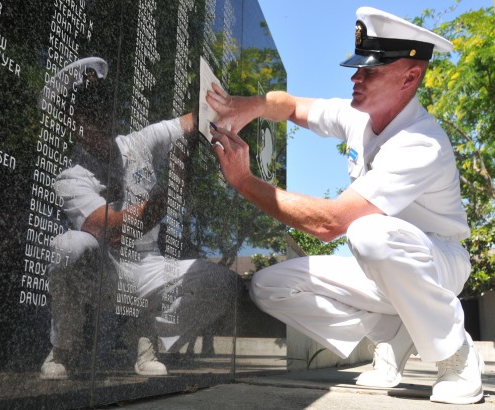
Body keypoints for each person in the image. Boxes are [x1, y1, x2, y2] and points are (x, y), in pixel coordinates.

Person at [206, 7, 484, 405]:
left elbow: (330, 223)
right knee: (272, 286)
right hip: (380, 261)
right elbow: (291, 106)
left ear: (410, 77)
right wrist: (249, 105)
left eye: (370, 71)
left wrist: (244, 182)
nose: (356, 77)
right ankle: (396, 331)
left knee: (368, 231)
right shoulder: (359, 116)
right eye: (358, 67)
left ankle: (454, 353)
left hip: (437, 261)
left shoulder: (421, 142)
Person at [40, 58, 239, 380]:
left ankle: (145, 336)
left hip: (148, 265)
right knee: (69, 245)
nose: (99, 121)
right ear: (71, 122)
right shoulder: (71, 177)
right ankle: (64, 347)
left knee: (222, 282)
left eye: (104, 111)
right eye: (87, 116)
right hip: (103, 270)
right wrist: (168, 192)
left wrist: (215, 106)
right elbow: (110, 230)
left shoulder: (139, 142)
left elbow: (192, 121)